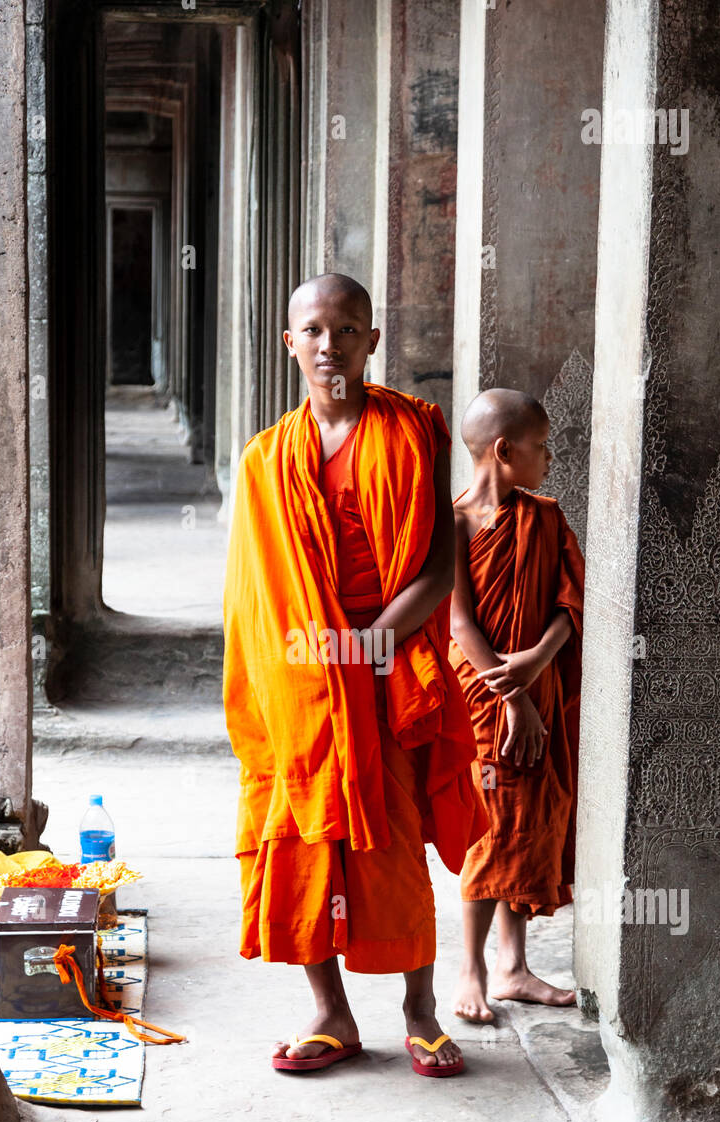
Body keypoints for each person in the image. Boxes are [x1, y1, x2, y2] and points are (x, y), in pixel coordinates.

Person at [223, 273, 486, 1075]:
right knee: (307, 838)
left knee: (395, 843)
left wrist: (366, 648)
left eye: (347, 329)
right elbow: (254, 596)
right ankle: (331, 1014)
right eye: (313, 330)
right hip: (302, 679)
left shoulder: (413, 432)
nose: (329, 344)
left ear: (374, 340)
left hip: (390, 662)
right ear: (289, 342)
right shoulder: (266, 461)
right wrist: (308, 668)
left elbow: (441, 569)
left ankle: (421, 1011)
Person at [448, 389, 584, 1024]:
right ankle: (472, 969)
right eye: (542, 447)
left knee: (529, 821)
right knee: (491, 827)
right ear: (504, 452)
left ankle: (513, 967)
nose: (550, 460)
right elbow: (460, 624)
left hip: (536, 680)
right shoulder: (452, 524)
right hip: (483, 694)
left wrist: (535, 661)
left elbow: (570, 605)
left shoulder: (548, 518)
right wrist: (515, 696)